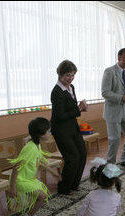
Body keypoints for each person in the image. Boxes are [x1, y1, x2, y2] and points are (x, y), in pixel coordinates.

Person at [7, 117, 60, 216]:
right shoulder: (29, 148)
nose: (51, 133)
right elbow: (16, 167)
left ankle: (32, 215)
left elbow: (40, 160)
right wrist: (12, 187)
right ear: (40, 134)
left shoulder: (36, 145)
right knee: (42, 196)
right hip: (21, 180)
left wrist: (53, 172)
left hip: (30, 179)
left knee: (40, 196)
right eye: (49, 131)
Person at [50, 60, 88, 195]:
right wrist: (79, 109)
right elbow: (60, 115)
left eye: (72, 75)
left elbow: (71, 109)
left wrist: (81, 108)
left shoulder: (71, 87)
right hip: (60, 129)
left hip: (72, 126)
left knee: (82, 154)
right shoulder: (56, 92)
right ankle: (64, 187)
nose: (70, 78)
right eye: (67, 75)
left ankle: (74, 184)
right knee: (72, 158)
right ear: (60, 74)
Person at [101, 48, 125, 169]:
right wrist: (121, 97)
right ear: (119, 58)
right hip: (113, 110)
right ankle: (110, 164)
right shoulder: (109, 71)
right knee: (115, 139)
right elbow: (105, 92)